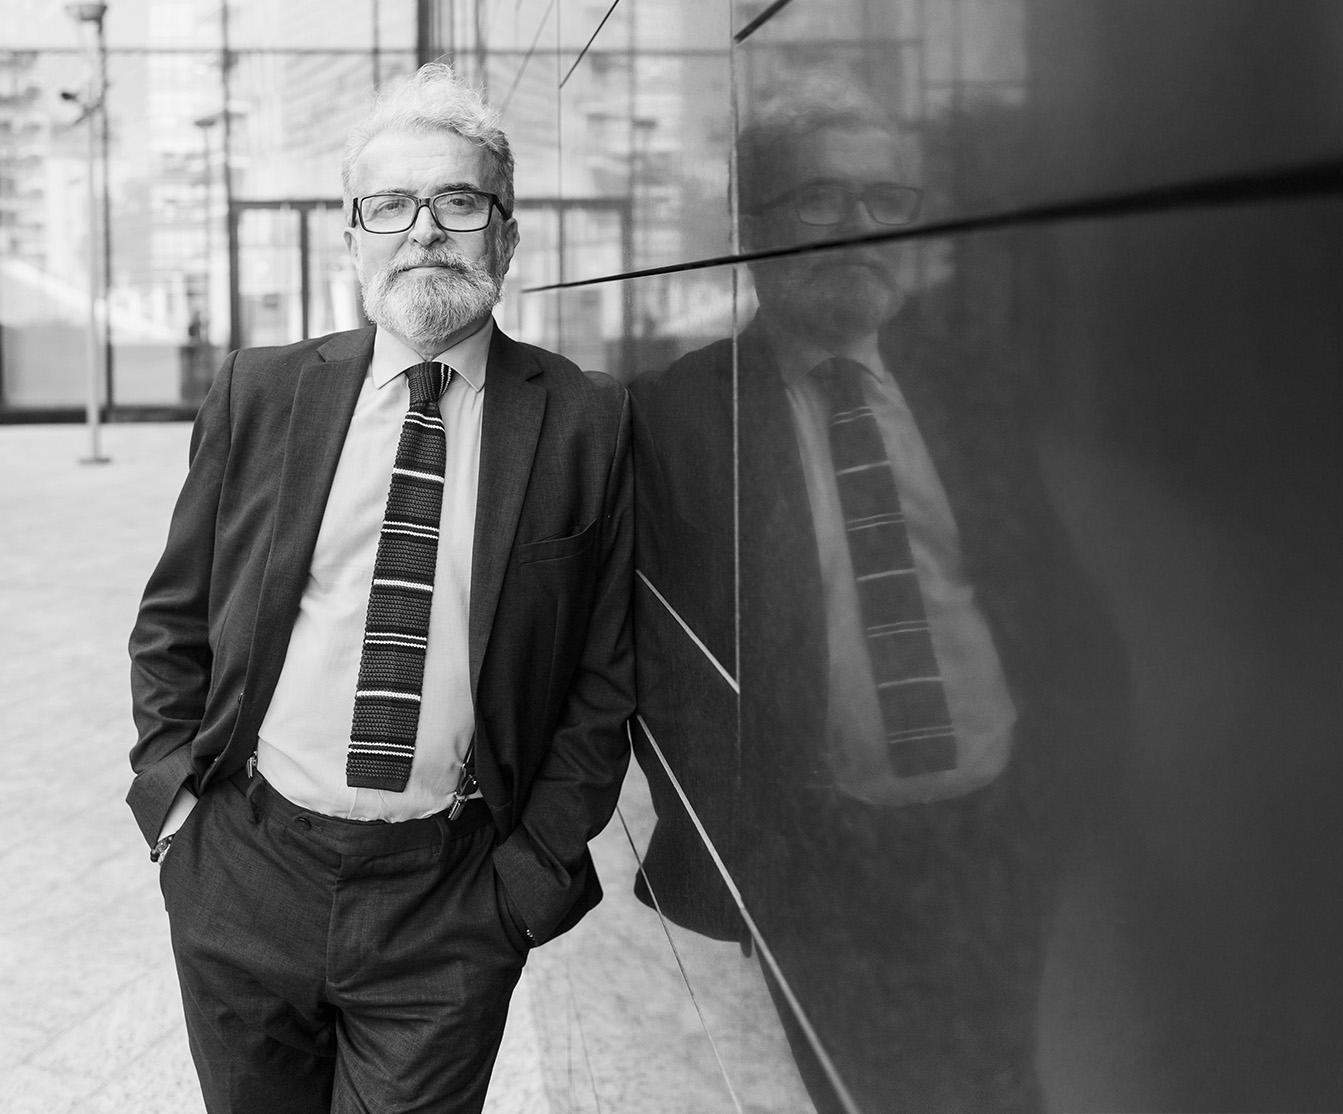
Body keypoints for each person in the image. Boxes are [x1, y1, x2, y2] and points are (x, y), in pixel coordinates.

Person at [127, 64, 633, 1114]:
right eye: (390, 205)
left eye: (458, 201)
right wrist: (175, 812)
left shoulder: (587, 421)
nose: (425, 232)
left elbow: (602, 677)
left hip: (449, 898)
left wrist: (524, 883)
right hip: (246, 871)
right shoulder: (261, 392)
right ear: (350, 234)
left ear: (506, 232)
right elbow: (174, 619)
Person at [629, 79, 1127, 1114]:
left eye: (884, 199)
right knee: (861, 1087)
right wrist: (751, 843)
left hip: (993, 822)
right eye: (819, 199)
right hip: (821, 860)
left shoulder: (971, 390)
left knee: (1000, 1077)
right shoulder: (684, 416)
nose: (858, 229)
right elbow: (652, 661)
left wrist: (1060, 795)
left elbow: (1055, 599)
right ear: (751, 229)